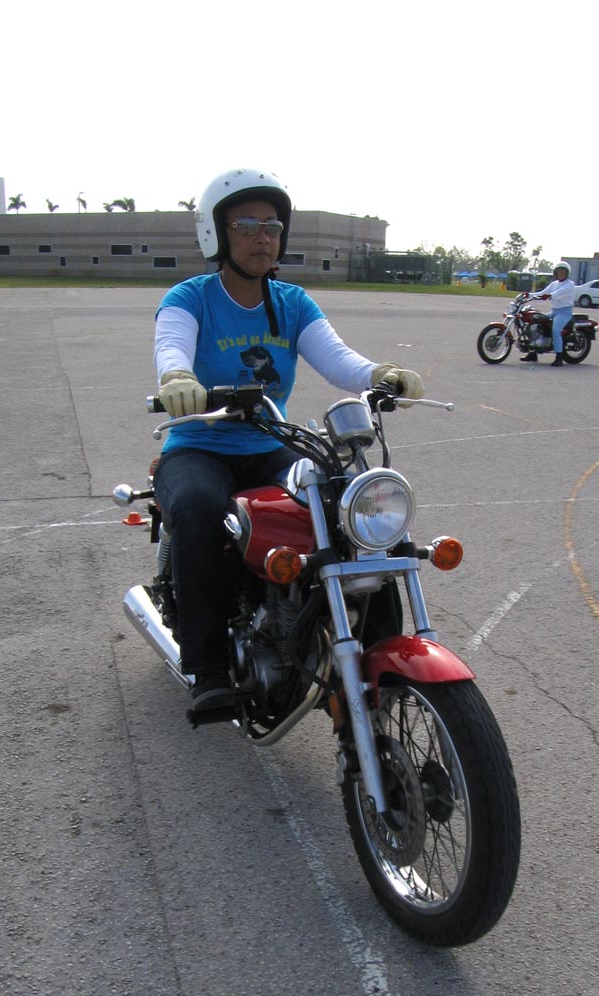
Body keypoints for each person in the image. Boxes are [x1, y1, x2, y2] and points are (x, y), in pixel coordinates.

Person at [152, 167, 425, 712]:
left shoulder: (292, 302)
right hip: (199, 446)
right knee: (199, 505)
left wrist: (379, 374)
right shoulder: (191, 297)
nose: (263, 237)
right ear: (217, 233)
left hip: (269, 442)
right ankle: (208, 667)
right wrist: (177, 377)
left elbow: (337, 359)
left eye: (272, 226)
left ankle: (382, 653)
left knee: (354, 503)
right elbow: (171, 345)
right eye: (247, 225)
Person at [522, 261, 575, 366]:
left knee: (556, 329)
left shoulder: (570, 284)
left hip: (564, 312)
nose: (561, 273)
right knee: (535, 323)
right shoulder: (554, 284)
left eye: (563, 271)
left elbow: (560, 293)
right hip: (554, 311)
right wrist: (528, 295)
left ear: (567, 273)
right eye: (559, 271)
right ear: (555, 273)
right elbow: (542, 293)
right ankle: (533, 353)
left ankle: (559, 357)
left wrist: (550, 295)